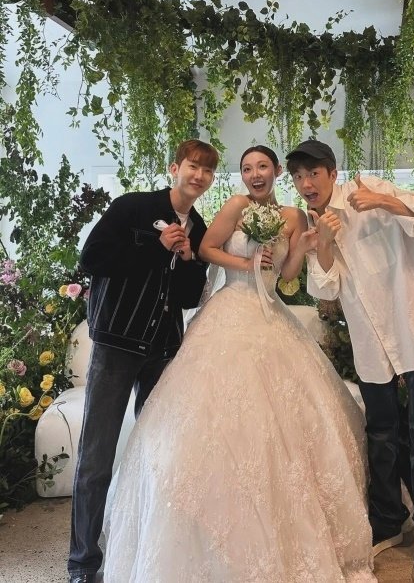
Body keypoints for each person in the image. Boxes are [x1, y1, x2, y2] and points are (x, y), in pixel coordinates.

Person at [103, 145, 376, 583]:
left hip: (271, 315)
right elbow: (206, 249)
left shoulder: (294, 215)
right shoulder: (235, 205)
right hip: (230, 307)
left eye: (262, 166)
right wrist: (246, 263)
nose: (255, 174)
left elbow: (288, 276)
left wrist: (306, 246)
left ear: (277, 172)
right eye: (247, 168)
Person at [286, 139, 414, 583]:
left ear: (332, 172)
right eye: (299, 177)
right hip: (369, 343)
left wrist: (383, 201)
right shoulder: (313, 223)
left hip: (413, 329)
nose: (306, 184)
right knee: (380, 434)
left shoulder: (370, 190)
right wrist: (324, 243)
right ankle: (388, 521)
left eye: (313, 173)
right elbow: (324, 290)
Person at [68, 139, 219, 583]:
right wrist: (156, 246)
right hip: (117, 346)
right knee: (96, 460)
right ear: (175, 168)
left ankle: (143, 554)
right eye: (193, 166)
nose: (199, 176)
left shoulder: (199, 227)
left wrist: (188, 258)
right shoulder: (132, 207)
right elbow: (92, 259)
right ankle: (82, 564)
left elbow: (188, 296)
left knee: (158, 456)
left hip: (162, 351)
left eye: (208, 171)